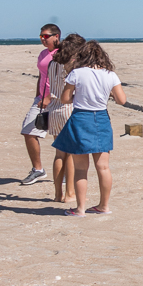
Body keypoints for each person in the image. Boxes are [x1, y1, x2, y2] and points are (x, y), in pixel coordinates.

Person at [53, 40, 127, 216]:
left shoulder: (77, 73)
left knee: (80, 169)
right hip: (101, 118)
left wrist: (77, 98)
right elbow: (122, 100)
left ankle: (80, 209)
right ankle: (104, 206)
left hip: (81, 117)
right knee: (103, 167)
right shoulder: (110, 74)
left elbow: (64, 98)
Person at [44, 33, 86, 202]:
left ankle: (57, 194)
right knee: (70, 154)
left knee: (59, 154)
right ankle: (69, 193)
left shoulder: (52, 63)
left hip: (53, 108)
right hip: (67, 108)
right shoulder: (70, 66)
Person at [18, 24, 61, 185]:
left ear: (56, 36)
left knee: (59, 138)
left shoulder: (63, 54)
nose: (43, 39)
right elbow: (41, 76)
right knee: (28, 131)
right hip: (41, 99)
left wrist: (50, 97)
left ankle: (63, 173)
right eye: (41, 36)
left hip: (58, 100)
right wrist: (38, 95)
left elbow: (66, 79)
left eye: (46, 36)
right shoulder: (43, 54)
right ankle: (38, 170)